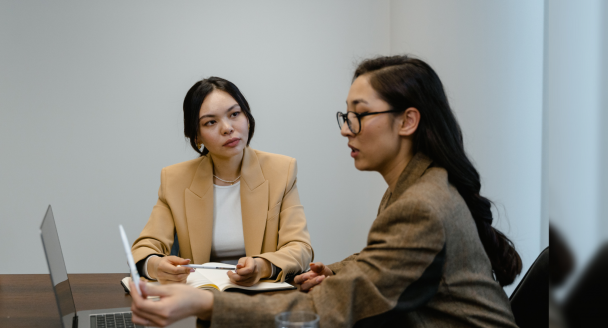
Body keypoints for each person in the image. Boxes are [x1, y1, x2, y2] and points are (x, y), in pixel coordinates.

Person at [128, 56, 523, 327]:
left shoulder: (421, 203)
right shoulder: (417, 185)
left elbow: (327, 297)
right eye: (212, 122)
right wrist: (335, 271)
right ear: (196, 135)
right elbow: (377, 263)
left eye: (359, 115)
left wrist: (206, 302)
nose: (345, 128)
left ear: (407, 121)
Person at [131, 77, 313, 287]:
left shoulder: (282, 170)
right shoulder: (175, 180)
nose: (227, 128)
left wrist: (262, 266)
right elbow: (145, 247)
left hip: (262, 298)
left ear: (247, 116)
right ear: (197, 136)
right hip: (200, 301)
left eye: (235, 114)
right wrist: (155, 265)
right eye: (211, 122)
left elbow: (300, 247)